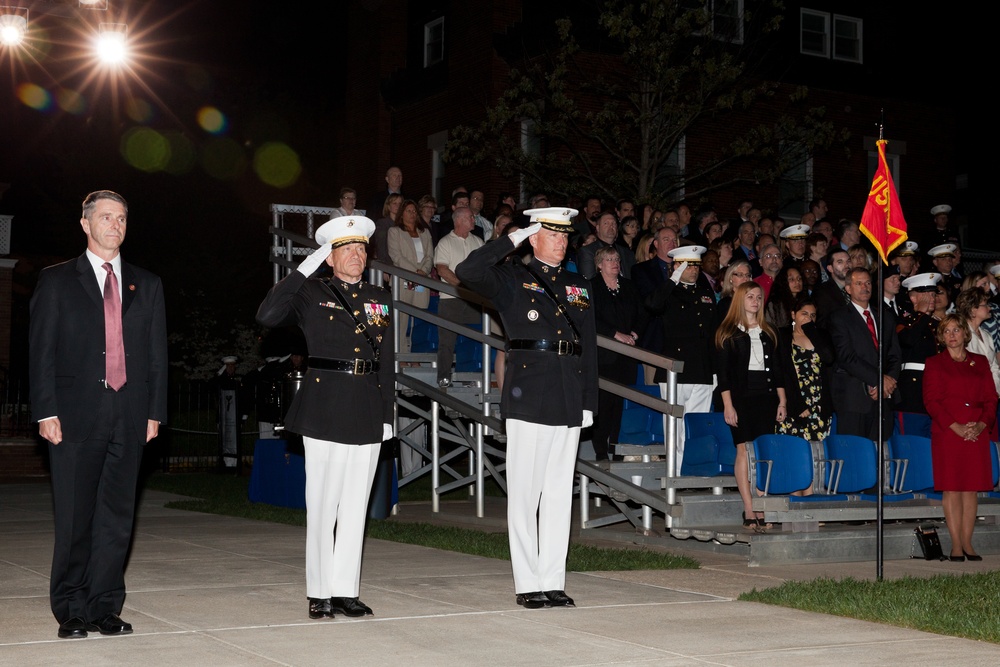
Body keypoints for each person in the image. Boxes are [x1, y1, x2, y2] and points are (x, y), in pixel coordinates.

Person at [29, 190, 168, 639]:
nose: (115, 224)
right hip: (73, 415)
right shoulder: (57, 281)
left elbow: (155, 357)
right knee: (75, 515)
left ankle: (105, 605)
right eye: (106, 217)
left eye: (122, 217)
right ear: (86, 225)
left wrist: (154, 412)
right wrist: (45, 409)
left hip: (129, 414)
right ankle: (70, 607)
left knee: (116, 516)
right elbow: (42, 352)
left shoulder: (146, 284)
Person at [455, 206, 598, 610]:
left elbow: (587, 347)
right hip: (528, 393)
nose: (560, 241)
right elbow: (468, 270)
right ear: (534, 238)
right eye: (551, 234)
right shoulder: (511, 277)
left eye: (564, 235)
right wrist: (511, 239)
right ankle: (528, 582)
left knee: (556, 493)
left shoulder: (578, 285)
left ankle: (553, 580)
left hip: (568, 392)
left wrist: (589, 400)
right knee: (525, 494)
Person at [256, 214, 394, 620]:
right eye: (345, 249)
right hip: (324, 405)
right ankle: (319, 592)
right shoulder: (310, 292)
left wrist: (387, 414)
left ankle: (346, 590)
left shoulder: (378, 296)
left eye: (360, 248)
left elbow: (385, 359)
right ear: (329, 258)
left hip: (367, 405)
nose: (355, 255)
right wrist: (302, 268)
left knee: (355, 506)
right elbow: (267, 314)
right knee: (323, 504)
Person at [923, 314, 998, 561]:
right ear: (941, 337)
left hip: (976, 432)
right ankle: (955, 545)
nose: (952, 335)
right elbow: (931, 401)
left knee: (971, 490)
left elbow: (991, 398)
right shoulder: (934, 363)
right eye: (946, 331)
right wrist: (955, 426)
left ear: (964, 334)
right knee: (952, 489)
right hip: (948, 433)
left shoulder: (980, 361)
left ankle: (968, 543)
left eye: (956, 330)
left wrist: (981, 425)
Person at [715, 282, 788, 530]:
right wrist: (728, 405)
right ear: (739, 300)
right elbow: (723, 375)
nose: (755, 301)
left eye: (758, 297)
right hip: (740, 399)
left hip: (766, 398)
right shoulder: (727, 332)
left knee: (765, 452)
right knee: (744, 450)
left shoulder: (769, 332)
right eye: (750, 297)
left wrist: (782, 401)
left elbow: (778, 371)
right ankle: (749, 506)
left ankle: (763, 504)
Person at [644, 244, 718, 473]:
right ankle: (674, 473)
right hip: (675, 369)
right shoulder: (668, 291)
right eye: (688, 265)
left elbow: (712, 332)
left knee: (697, 424)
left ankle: (693, 470)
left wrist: (714, 369)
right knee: (674, 424)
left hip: (702, 368)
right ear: (677, 266)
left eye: (696, 265)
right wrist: (673, 279)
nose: (694, 270)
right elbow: (653, 305)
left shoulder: (705, 294)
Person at [827, 267, 901, 441]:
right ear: (848, 289)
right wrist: (878, 380)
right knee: (855, 455)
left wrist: (887, 383)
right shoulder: (839, 318)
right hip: (854, 400)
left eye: (868, 283)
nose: (864, 287)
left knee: (880, 455)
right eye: (858, 283)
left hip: (883, 399)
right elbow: (847, 357)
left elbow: (895, 355)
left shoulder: (885, 317)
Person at [591, 244, 648, 460]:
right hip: (604, 355)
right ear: (599, 265)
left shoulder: (628, 286)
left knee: (622, 404)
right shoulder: (591, 287)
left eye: (616, 259)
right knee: (604, 402)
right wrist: (615, 334)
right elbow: (590, 318)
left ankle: (616, 446)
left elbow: (642, 314)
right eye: (609, 260)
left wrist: (633, 333)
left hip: (627, 355)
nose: (615, 263)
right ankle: (600, 449)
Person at [433, 206, 484, 387]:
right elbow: (442, 269)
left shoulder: (478, 242)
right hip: (450, 298)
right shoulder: (445, 242)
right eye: (471, 217)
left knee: (476, 338)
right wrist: (462, 288)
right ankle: (443, 376)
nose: (474, 220)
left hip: (475, 300)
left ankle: (471, 375)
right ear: (460, 220)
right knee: (447, 340)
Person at [777, 297, 834, 447]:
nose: (808, 318)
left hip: (819, 401)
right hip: (794, 399)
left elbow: (828, 358)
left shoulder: (820, 335)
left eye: (813, 315)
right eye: (804, 313)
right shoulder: (782, 336)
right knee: (794, 449)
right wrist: (796, 404)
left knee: (818, 450)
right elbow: (782, 372)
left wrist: (811, 331)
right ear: (793, 314)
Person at [387, 199, 434, 361]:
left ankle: (415, 358)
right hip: (404, 280)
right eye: (409, 211)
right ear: (402, 213)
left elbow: (429, 256)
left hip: (421, 281)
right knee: (401, 320)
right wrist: (415, 272)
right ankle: (402, 357)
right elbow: (396, 256)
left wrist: (423, 272)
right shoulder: (394, 232)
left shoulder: (425, 232)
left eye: (415, 211)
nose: (412, 214)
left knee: (417, 321)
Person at [956, 288, 1000, 431]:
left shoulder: (986, 335)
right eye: (985, 304)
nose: (989, 308)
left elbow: (993, 366)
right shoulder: (961, 334)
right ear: (973, 310)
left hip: (988, 399)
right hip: (971, 398)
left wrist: (996, 392)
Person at [763, 265, 805, 329]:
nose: (797, 282)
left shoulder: (804, 301)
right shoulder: (775, 304)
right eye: (791, 279)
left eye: (799, 278)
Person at [370, 192, 403, 267]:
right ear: (388, 206)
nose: (397, 206)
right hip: (389, 264)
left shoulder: (404, 224)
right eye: (394, 203)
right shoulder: (382, 223)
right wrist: (383, 266)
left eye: (400, 203)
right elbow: (381, 246)